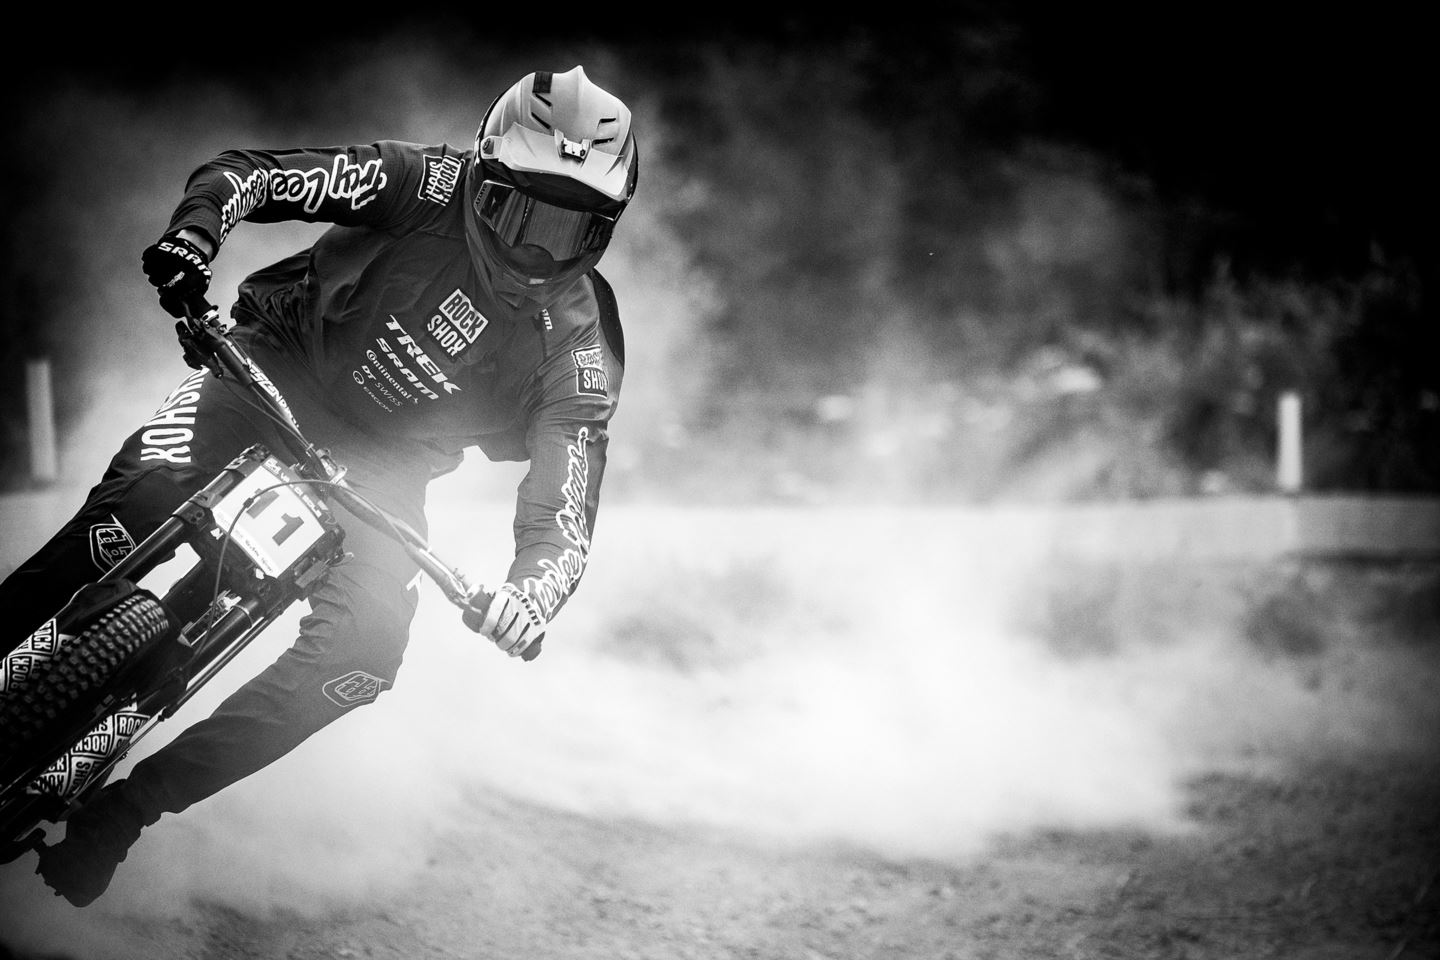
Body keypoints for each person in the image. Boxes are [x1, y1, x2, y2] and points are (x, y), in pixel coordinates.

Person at [0, 64, 638, 906]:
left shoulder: (583, 348)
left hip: (387, 463)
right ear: (479, 179)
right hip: (268, 369)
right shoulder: (420, 180)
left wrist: (528, 598)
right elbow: (250, 175)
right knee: (126, 511)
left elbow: (564, 511)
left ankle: (127, 810)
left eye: (570, 229)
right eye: (521, 212)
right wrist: (194, 237)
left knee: (362, 657)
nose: (536, 250)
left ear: (603, 233)